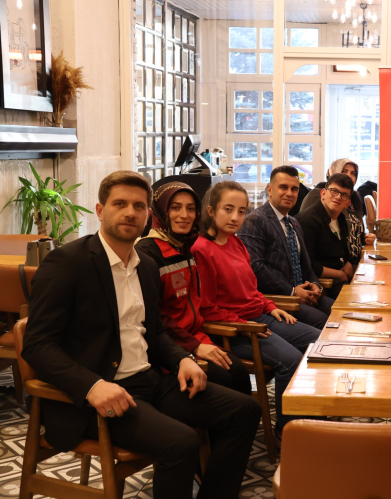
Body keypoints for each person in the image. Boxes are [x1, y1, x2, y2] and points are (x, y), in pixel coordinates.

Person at [22, 171, 259, 499]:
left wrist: (182, 359)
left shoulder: (145, 265)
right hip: (96, 395)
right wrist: (92, 385)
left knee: (245, 410)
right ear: (100, 210)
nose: (130, 212)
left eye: (138, 206)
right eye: (120, 204)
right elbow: (37, 345)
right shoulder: (67, 263)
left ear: (148, 215)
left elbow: (155, 331)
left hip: (148, 381)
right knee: (181, 443)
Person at [191, 181, 321, 437]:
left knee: (320, 342)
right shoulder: (201, 250)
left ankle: (313, 416)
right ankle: (288, 432)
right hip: (235, 330)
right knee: (292, 361)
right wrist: (244, 324)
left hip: (259, 318)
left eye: (241, 211)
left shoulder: (236, 242)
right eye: (228, 209)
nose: (235, 217)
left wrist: (270, 306)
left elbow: (251, 289)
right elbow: (206, 307)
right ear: (211, 210)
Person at [136, 182, 252, 396]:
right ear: (160, 211)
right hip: (169, 345)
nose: (185, 215)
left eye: (190, 209)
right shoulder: (147, 253)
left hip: (196, 335)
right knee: (224, 379)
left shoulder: (184, 246)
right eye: (175, 207)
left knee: (238, 372)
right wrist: (194, 346)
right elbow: (156, 318)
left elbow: (196, 304)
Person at [237, 166, 333, 330]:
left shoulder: (294, 223)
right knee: (326, 323)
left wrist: (316, 285)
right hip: (278, 300)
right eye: (283, 187)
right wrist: (293, 291)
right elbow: (256, 267)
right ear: (270, 190)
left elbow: (306, 266)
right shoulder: (255, 220)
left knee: (340, 311)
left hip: (304, 294)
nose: (289, 193)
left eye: (294, 189)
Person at [295, 173, 359, 299]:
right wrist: (338, 274)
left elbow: (344, 251)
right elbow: (307, 264)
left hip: (340, 273)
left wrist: (349, 263)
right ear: (323, 193)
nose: (338, 197)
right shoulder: (307, 221)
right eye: (334, 191)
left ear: (347, 203)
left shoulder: (341, 219)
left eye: (344, 195)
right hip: (322, 281)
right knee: (355, 300)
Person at [300, 159, 376, 258]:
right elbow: (308, 230)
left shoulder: (353, 199)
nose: (349, 176)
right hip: (331, 261)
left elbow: (353, 231)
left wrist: (365, 237)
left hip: (355, 260)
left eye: (353, 173)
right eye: (344, 171)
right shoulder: (319, 195)